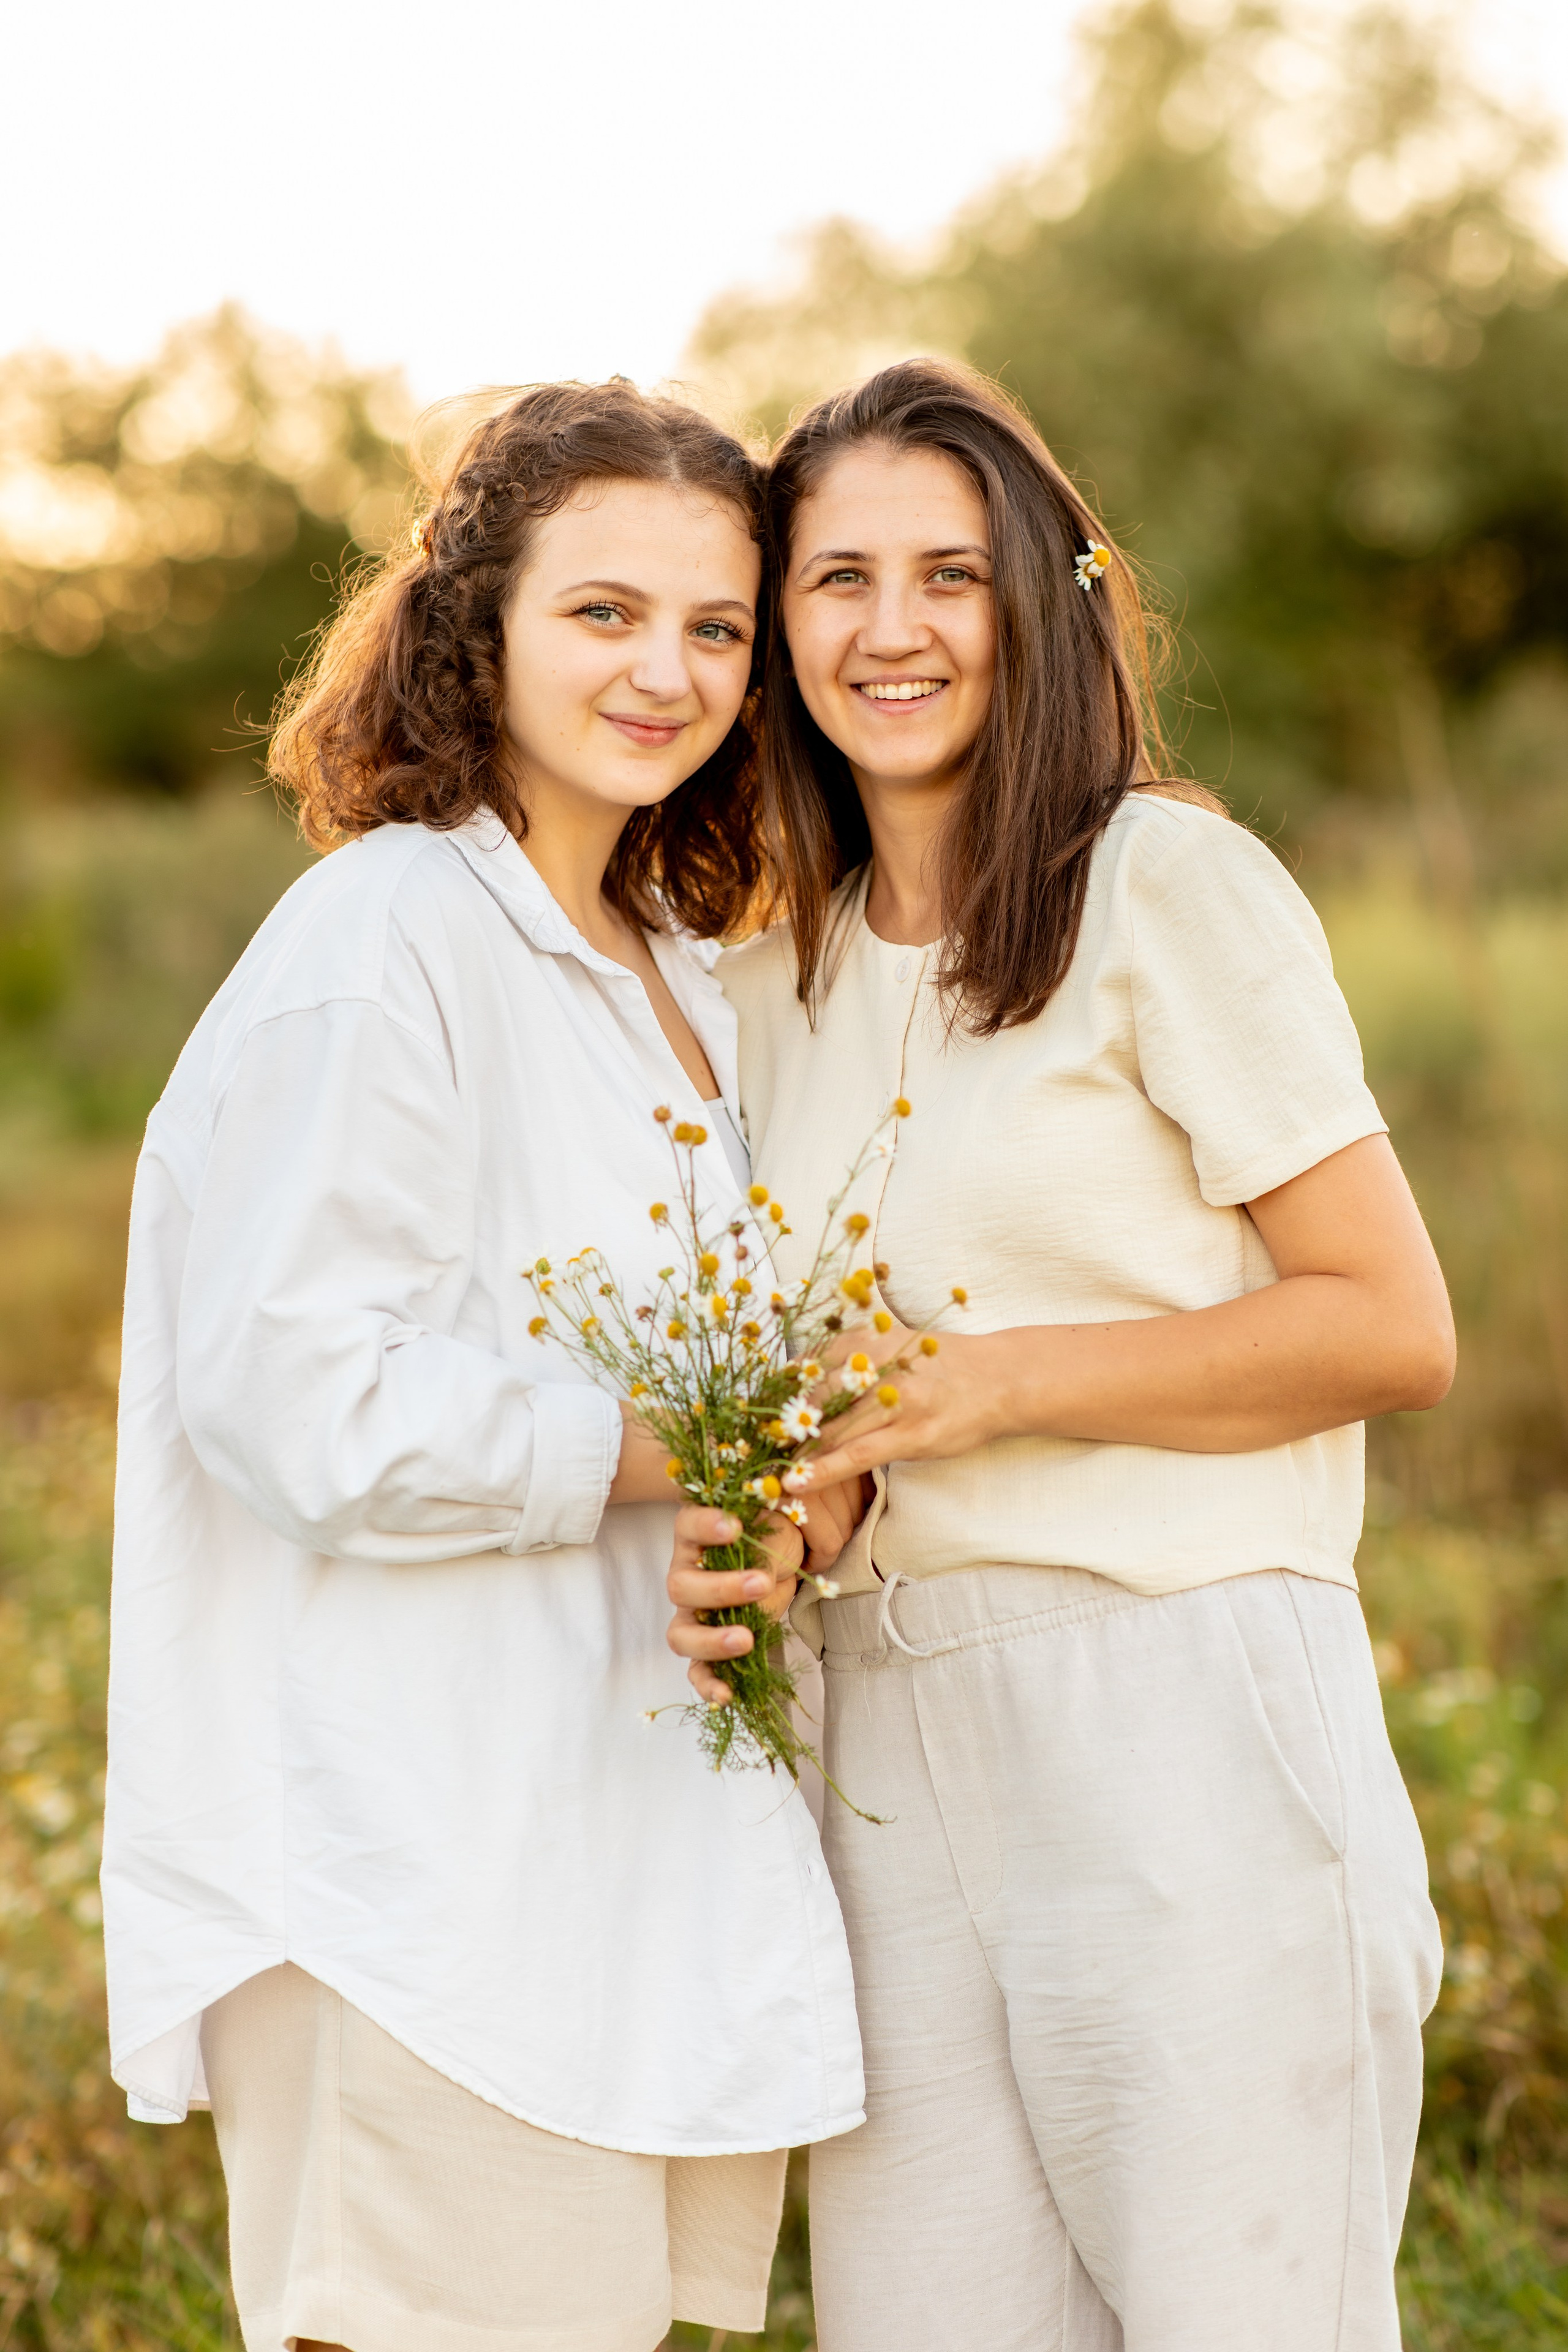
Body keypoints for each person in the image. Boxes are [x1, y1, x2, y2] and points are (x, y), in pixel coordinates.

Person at [668, 358, 1451, 2352]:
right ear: (779, 631)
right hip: (885, 1746)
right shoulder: (769, 978)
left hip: (1175, 1703)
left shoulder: (1165, 887)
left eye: (951, 572)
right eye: (837, 579)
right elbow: (837, 1380)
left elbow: (1388, 1319)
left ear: (1043, 596)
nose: (894, 630)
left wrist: (998, 1385)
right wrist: (807, 1500)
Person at [102, 379, 865, 2352]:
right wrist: (665, 1453)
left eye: (715, 626)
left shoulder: (677, 974)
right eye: (603, 612)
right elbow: (290, 1394)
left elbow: (708, 1392)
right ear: (480, 626)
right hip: (414, 1887)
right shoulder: (384, 940)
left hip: (607, 1871)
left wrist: (772, 1497)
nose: (666, 670)